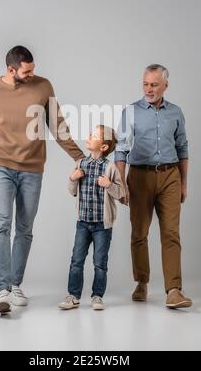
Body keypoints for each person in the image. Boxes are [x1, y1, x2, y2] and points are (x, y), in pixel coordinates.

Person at [0, 45, 85, 314]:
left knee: (24, 228)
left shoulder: (43, 86)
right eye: (27, 71)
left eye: (33, 69)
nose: (32, 74)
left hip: (32, 169)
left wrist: (80, 157)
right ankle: (1, 290)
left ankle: (15, 285)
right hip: (0, 166)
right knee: (2, 224)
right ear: (11, 70)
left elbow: (58, 126)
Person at [115, 64, 192, 309]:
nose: (149, 89)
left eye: (154, 84)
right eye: (145, 84)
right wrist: (121, 184)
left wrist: (183, 183)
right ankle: (142, 282)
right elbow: (121, 150)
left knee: (171, 233)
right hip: (139, 176)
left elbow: (183, 149)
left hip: (170, 175)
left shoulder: (176, 113)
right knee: (139, 233)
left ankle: (174, 290)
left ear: (165, 86)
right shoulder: (131, 111)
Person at [58, 125, 124, 311]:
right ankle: (73, 295)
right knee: (76, 260)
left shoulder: (110, 167)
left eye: (94, 136)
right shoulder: (80, 164)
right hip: (83, 223)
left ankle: (97, 296)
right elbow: (72, 192)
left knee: (100, 262)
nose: (89, 137)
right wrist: (73, 178)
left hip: (102, 225)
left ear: (103, 147)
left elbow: (120, 193)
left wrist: (108, 184)